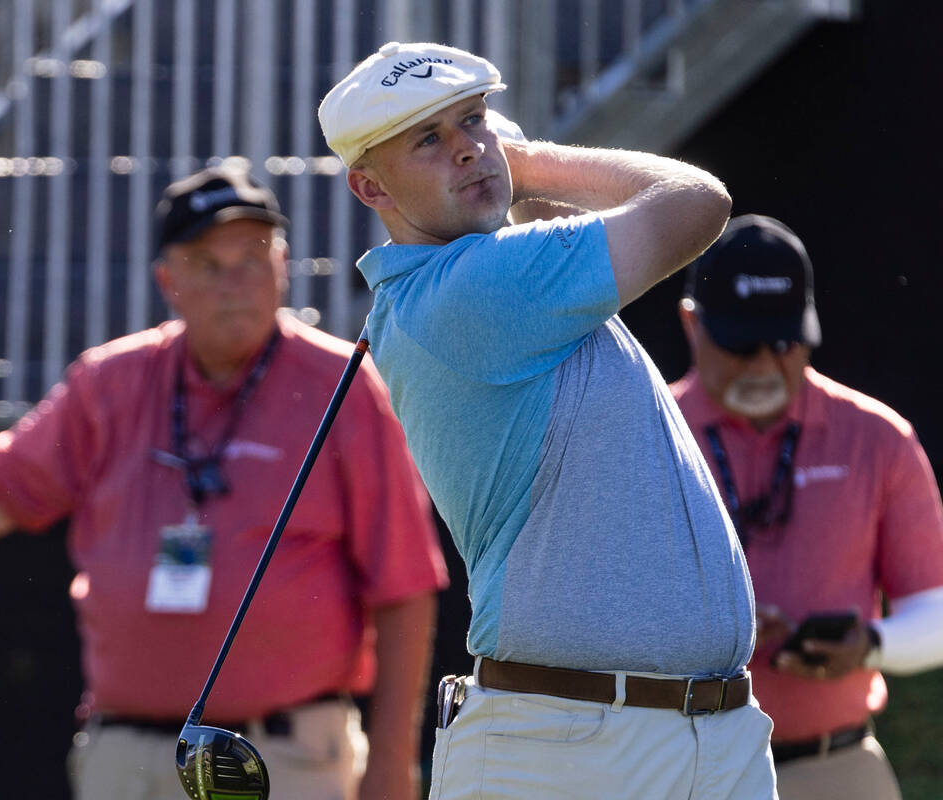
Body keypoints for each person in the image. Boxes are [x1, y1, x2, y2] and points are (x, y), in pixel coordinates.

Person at [0, 166, 449, 800]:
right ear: (168, 281)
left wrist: (392, 768)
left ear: (285, 265)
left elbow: (405, 586)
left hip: (282, 757)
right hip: (123, 757)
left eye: (253, 257)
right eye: (209, 263)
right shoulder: (109, 383)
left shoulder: (343, 387)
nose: (235, 282)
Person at [318, 41, 776, 800]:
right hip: (572, 746)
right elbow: (697, 204)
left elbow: (547, 225)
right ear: (370, 187)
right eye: (429, 140)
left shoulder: (496, 278)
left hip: (688, 736)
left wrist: (500, 173)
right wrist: (527, 161)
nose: (467, 149)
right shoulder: (475, 290)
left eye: (473, 121)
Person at [670, 214, 943, 800]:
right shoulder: (647, 436)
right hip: (679, 768)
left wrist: (868, 645)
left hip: (835, 763)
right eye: (739, 342)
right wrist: (716, 642)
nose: (763, 365)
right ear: (691, 324)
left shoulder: (877, 437)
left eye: (782, 343)